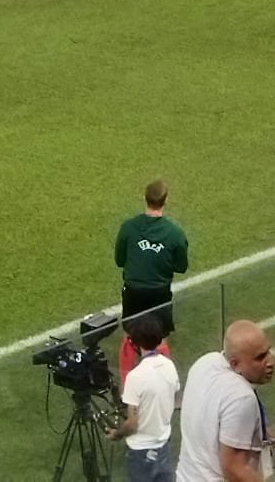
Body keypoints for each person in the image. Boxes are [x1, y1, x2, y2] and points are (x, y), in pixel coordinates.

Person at [177, 320, 274, 482]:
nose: (271, 362)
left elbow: (213, 420)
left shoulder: (204, 363)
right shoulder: (241, 397)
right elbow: (234, 469)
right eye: (260, 357)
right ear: (235, 364)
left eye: (268, 351)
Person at [107, 313, 179, 482]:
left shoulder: (135, 377)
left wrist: (117, 434)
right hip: (164, 446)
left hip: (141, 452)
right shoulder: (169, 365)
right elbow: (174, 396)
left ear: (135, 343)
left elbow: (132, 423)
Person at [116, 181, 189, 335]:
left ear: (145, 198)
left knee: (130, 336)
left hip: (133, 291)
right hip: (159, 292)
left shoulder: (128, 227)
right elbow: (181, 267)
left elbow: (119, 260)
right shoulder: (175, 233)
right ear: (165, 201)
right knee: (160, 336)